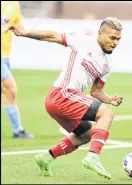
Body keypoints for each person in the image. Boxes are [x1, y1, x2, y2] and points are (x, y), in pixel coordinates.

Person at [5, 17, 123, 179]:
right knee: (106, 114)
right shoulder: (84, 41)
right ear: (100, 33)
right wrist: (25, 32)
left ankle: (46, 157)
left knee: (86, 134)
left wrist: (109, 99)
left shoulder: (108, 64)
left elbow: (96, 91)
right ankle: (93, 157)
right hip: (62, 93)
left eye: (118, 39)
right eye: (112, 38)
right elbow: (52, 36)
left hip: (60, 101)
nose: (115, 43)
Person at [1, 1, 34, 139]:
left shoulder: (13, 4)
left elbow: (20, 28)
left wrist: (35, 33)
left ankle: (17, 131)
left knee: (9, 93)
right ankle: (18, 130)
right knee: (11, 87)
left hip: (5, 56)